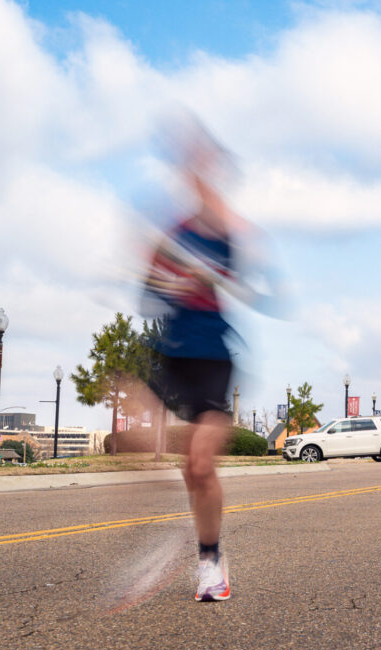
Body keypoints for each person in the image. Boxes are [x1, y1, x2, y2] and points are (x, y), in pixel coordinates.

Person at [141, 122, 240, 602]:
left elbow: (232, 264)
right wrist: (170, 281)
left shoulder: (220, 225)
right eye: (193, 166)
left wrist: (199, 274)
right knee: (188, 469)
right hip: (173, 356)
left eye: (208, 166)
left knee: (200, 463)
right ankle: (207, 546)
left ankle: (211, 565)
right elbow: (147, 295)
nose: (200, 173)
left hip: (213, 357)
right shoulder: (173, 234)